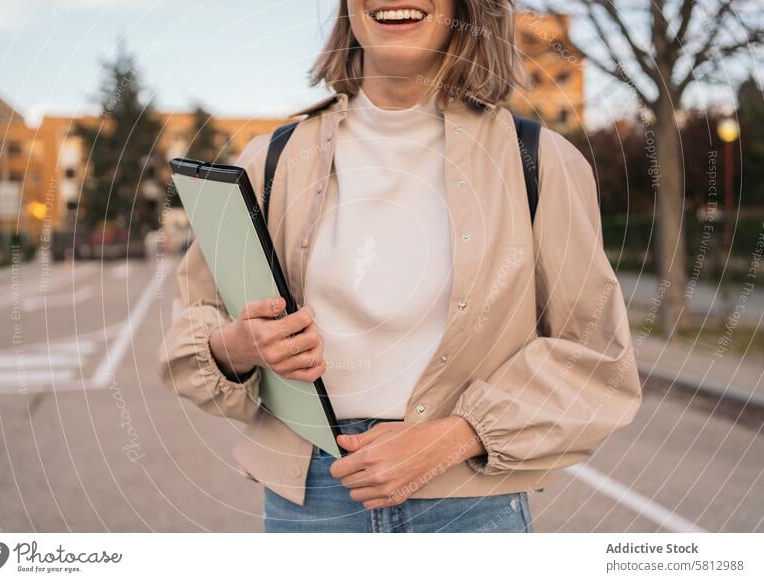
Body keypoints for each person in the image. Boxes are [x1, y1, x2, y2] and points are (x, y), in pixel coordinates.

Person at [158, 0, 642, 533]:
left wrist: (458, 435)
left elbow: (597, 358)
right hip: (310, 509)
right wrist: (238, 345)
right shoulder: (268, 160)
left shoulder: (540, 162)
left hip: (468, 508)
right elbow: (192, 323)